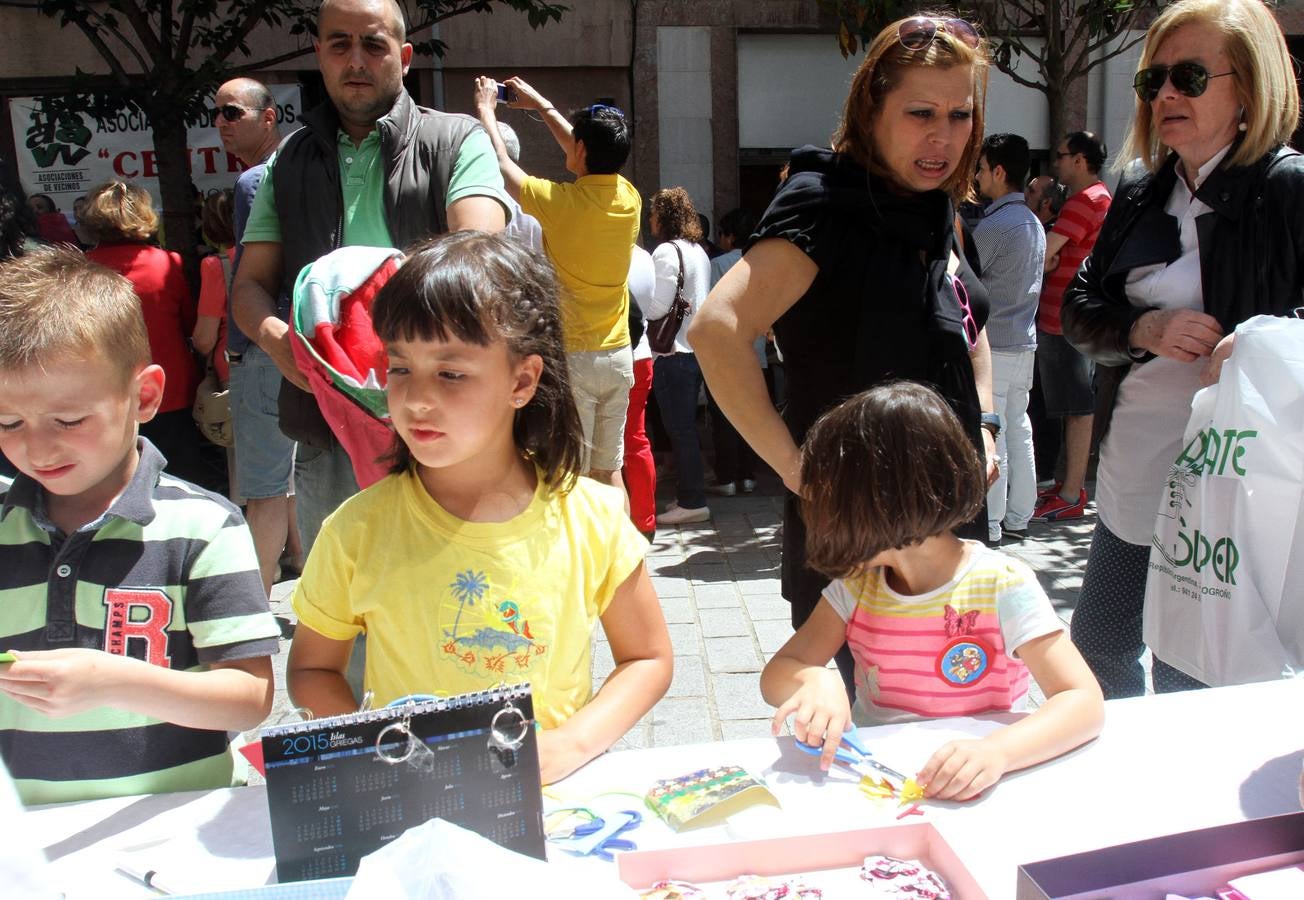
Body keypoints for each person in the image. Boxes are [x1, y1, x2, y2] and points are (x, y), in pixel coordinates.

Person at [285, 233, 672, 785]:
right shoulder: (356, 529)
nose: (417, 398)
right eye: (399, 367)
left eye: (450, 372)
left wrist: (569, 746)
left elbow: (648, 658)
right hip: (415, 808)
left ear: (522, 380)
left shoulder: (595, 517)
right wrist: (373, 750)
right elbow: (312, 667)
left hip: (555, 809)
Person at [693, 15, 1002, 692]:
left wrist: (985, 423)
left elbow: (970, 329)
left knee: (953, 705)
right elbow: (716, 330)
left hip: (948, 518)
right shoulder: (824, 204)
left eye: (959, 114)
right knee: (850, 728)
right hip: (858, 532)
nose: (942, 136)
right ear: (872, 108)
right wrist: (798, 470)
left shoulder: (934, 206)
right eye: (920, 112)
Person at [1063, 0, 1304, 698]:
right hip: (1135, 466)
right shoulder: (1138, 192)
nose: (1167, 93)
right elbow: (1079, 309)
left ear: (1249, 88)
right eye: (1153, 79)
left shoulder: (1288, 188)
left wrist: (1261, 340)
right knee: (1100, 649)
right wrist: (1141, 330)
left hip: (1237, 482)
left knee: (1194, 666)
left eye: (1190, 76)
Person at [0, 246, 278, 805]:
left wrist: (114, 681)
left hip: (172, 826)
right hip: (24, 840)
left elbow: (249, 696)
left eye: (69, 419)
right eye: (8, 421)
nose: (36, 446)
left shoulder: (203, 527)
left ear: (144, 396)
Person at [233, 0, 510, 556]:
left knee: (447, 609)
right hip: (325, 423)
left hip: (439, 423)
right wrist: (279, 341)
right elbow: (247, 286)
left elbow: (478, 259)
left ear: (403, 57)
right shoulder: (288, 161)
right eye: (339, 44)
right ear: (319, 55)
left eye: (373, 44)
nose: (355, 60)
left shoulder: (458, 141)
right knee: (345, 613)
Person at [761, 382, 1103, 799]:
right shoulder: (857, 588)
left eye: (828, 500)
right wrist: (812, 680)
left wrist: (998, 752)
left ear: (882, 502)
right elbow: (780, 670)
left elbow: (1082, 701)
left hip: (980, 786)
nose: (814, 512)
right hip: (883, 784)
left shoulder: (1000, 584)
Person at [474, 76, 638, 492]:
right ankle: (621, 555)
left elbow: (501, 161)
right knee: (610, 471)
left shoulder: (558, 203)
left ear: (580, 149)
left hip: (577, 359)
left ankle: (580, 558)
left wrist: (487, 111)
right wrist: (541, 104)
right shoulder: (629, 198)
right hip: (619, 355)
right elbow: (589, 152)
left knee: (575, 478)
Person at [214, 76, 302, 590]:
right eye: (218, 113)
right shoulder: (308, 169)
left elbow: (253, 281)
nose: (221, 123)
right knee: (300, 478)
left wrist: (245, 343)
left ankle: (246, 612)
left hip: (268, 343)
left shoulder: (255, 183)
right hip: (310, 341)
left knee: (265, 489)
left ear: (268, 117)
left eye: (232, 113)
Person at [82, 180, 217, 491]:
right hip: (170, 385)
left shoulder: (81, 269)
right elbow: (187, 324)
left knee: (115, 476)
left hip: (105, 388)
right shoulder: (168, 263)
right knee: (181, 475)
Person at [1031, 131, 1112, 522]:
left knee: (1077, 407)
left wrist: (1050, 255)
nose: (1056, 164)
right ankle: (1068, 489)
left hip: (1068, 321)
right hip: (1070, 319)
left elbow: (1043, 256)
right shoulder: (1095, 199)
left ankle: (1070, 492)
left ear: (1079, 160)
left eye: (1060, 156)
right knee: (1072, 406)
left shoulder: (1086, 201)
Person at [973, 134, 1046, 543]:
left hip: (996, 346)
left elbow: (963, 281)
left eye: (981, 169)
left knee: (994, 432)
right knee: (1019, 429)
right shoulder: (1032, 222)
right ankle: (1018, 515)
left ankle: (994, 521)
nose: (978, 177)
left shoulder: (997, 224)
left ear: (999, 171)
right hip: (1023, 340)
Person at [647, 187, 713, 525]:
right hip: (694, 351)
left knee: (680, 430)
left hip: (672, 353)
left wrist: (638, 301)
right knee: (686, 428)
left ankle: (692, 501)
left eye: (654, 212)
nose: (651, 219)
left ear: (665, 216)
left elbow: (658, 305)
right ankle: (691, 495)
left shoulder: (665, 252)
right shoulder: (698, 251)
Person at [705, 208, 761, 497]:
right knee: (754, 417)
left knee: (725, 418)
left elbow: (711, 308)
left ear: (728, 236)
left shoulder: (719, 264)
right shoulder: (763, 263)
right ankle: (748, 475)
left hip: (726, 355)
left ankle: (727, 477)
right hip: (758, 353)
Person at [623, 242, 657, 540]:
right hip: (642, 355)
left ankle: (619, 521)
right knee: (636, 438)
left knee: (601, 447)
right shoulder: (645, 257)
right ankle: (645, 520)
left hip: (614, 352)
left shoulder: (603, 251)